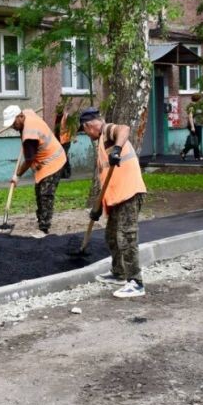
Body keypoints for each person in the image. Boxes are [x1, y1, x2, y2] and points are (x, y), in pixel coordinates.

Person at [79, 108, 148, 298]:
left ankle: (136, 282)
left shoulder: (107, 130)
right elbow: (105, 180)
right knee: (111, 235)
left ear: (89, 125)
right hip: (117, 196)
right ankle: (119, 273)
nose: (86, 134)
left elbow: (124, 129)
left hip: (130, 192)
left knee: (126, 237)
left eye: (84, 130)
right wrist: (98, 207)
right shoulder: (102, 143)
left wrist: (117, 149)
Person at [3, 105, 67, 237]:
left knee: (45, 194)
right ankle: (41, 220)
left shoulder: (29, 134)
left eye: (13, 123)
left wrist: (17, 175)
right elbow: (30, 110)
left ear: (20, 117)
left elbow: (28, 160)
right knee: (38, 191)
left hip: (53, 161)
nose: (13, 127)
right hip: (44, 161)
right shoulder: (27, 114)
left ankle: (44, 228)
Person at [180, 93, 203, 161]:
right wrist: (192, 127)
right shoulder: (191, 106)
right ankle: (186, 152)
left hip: (198, 125)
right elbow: (190, 117)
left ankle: (194, 156)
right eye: (200, 98)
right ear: (197, 99)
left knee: (196, 141)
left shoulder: (198, 106)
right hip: (194, 125)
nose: (200, 100)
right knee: (196, 141)